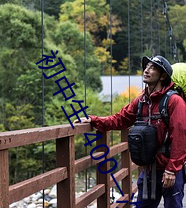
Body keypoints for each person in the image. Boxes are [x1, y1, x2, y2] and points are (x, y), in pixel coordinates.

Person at [73, 55, 186, 208]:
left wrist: (172, 170)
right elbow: (120, 119)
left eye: (152, 68)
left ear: (163, 76)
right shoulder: (141, 101)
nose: (146, 70)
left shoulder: (174, 101)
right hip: (148, 169)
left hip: (169, 169)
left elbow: (180, 136)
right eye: (146, 67)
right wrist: (93, 120)